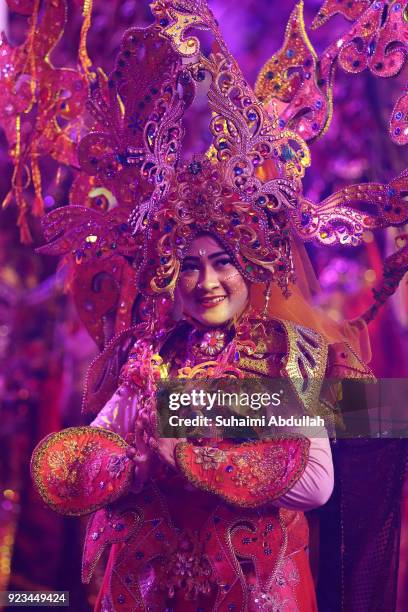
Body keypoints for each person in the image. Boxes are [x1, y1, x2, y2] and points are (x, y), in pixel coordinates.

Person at [27, 1, 407, 611]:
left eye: (221, 262)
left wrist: (185, 455)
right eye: (189, 264)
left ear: (248, 266)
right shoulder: (150, 352)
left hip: (253, 589)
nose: (206, 281)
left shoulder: (286, 350)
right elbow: (101, 443)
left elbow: (315, 481)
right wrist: (122, 464)